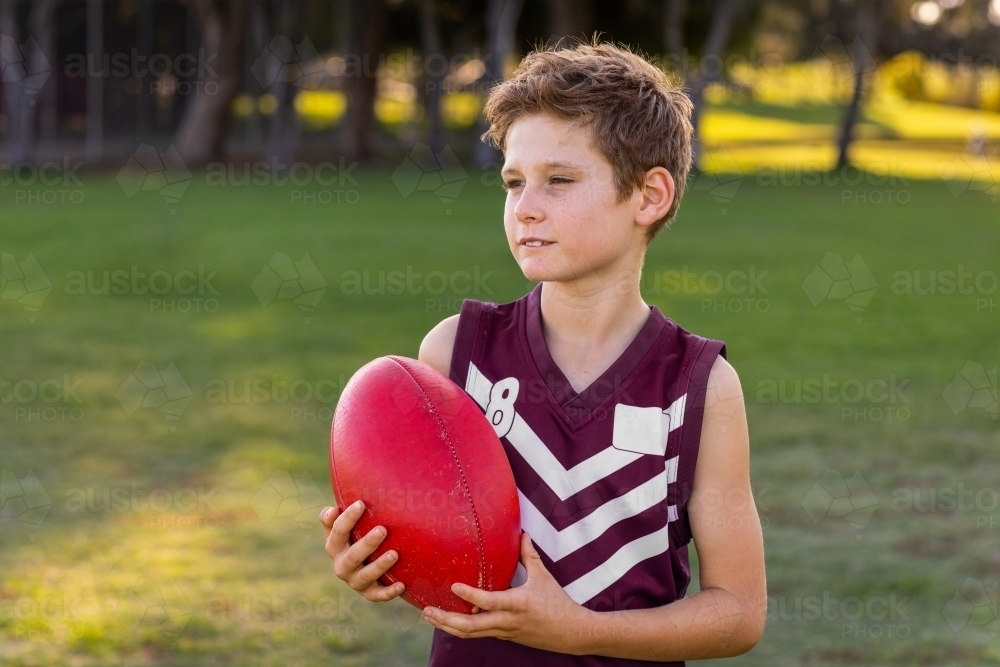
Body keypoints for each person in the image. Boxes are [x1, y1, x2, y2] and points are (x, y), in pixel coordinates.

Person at [320, 39, 766, 666]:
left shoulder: (699, 387)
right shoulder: (456, 354)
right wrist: (378, 561)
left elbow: (739, 613)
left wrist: (581, 632)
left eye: (558, 180)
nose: (525, 207)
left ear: (649, 196)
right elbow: (437, 546)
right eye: (513, 182)